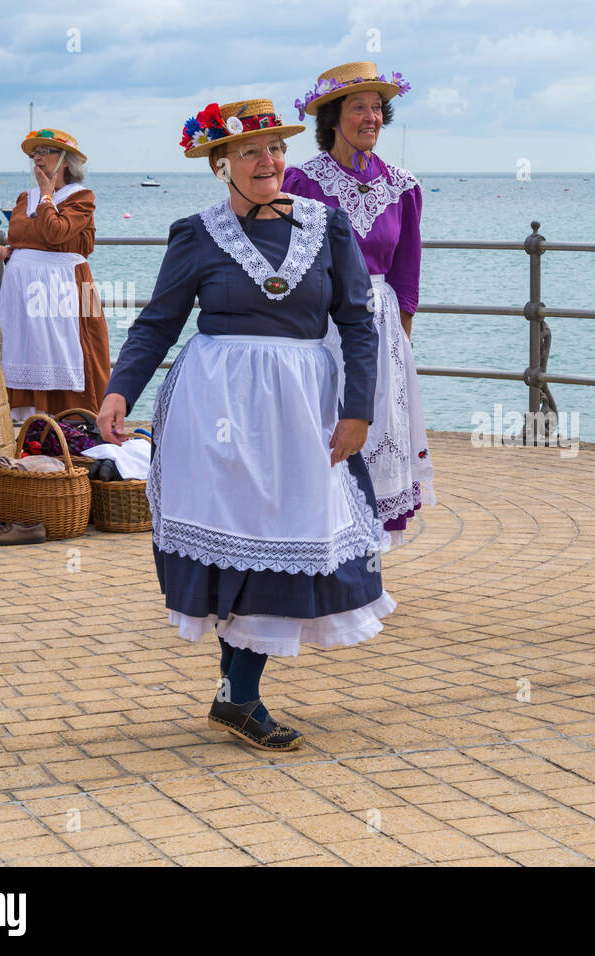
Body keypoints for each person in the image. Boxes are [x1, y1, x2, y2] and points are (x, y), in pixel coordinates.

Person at [98, 99, 392, 752]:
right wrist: (120, 391)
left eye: (277, 149)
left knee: (288, 533)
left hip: (302, 409)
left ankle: (236, 694)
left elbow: (356, 324)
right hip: (216, 409)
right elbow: (158, 323)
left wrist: (358, 408)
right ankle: (241, 697)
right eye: (252, 151)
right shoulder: (195, 234)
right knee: (234, 539)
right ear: (220, 162)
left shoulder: (328, 227)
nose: (269, 161)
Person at [282, 61, 434, 547]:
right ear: (332, 117)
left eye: (376, 108)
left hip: (383, 326)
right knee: (324, 428)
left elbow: (408, 274)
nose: (371, 117)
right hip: (322, 321)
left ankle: (367, 557)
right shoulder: (299, 182)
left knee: (377, 429)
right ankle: (318, 542)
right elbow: (289, 261)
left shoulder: (404, 186)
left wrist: (399, 347)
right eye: (358, 108)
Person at [0, 129, 109, 419]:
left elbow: (56, 233)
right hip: (24, 288)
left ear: (65, 161)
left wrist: (45, 194)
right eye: (34, 154)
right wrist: (10, 252)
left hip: (71, 283)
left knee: (84, 347)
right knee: (30, 349)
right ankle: (35, 427)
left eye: (45, 152)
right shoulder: (22, 198)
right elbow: (24, 238)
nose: (37, 158)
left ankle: (79, 422)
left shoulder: (81, 198)